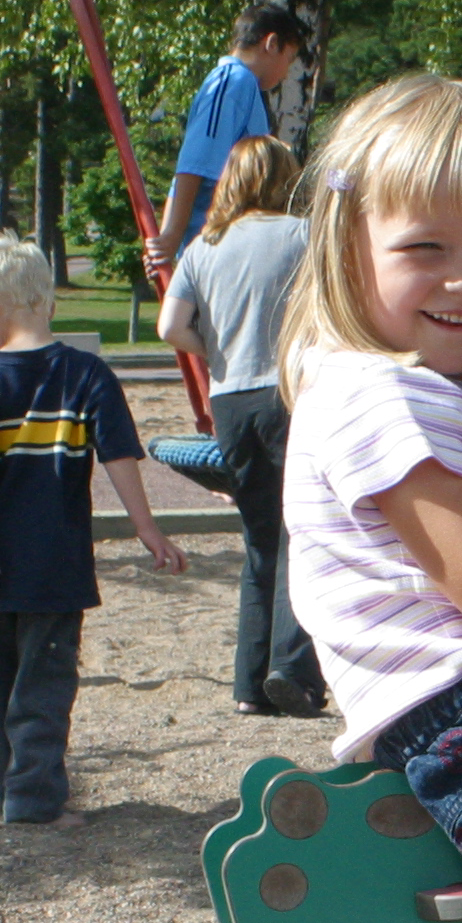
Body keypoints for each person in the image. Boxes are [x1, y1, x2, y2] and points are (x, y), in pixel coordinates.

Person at [0, 236, 186, 826]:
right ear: (46, 303)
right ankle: (28, 797)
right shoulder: (87, 374)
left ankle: (15, 793)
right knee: (44, 687)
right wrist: (147, 529)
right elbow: (119, 458)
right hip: (56, 565)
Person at [157, 134, 323, 718]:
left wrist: (218, 351)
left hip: (230, 401)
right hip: (290, 392)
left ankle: (248, 683)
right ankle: (292, 670)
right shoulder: (303, 236)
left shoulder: (206, 243)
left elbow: (169, 327)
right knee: (300, 532)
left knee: (258, 539)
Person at [143, 3, 307, 270]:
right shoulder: (232, 82)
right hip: (212, 247)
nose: (286, 72)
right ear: (272, 43)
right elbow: (193, 163)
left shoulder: (245, 87)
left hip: (234, 245)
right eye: (288, 59)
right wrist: (171, 237)